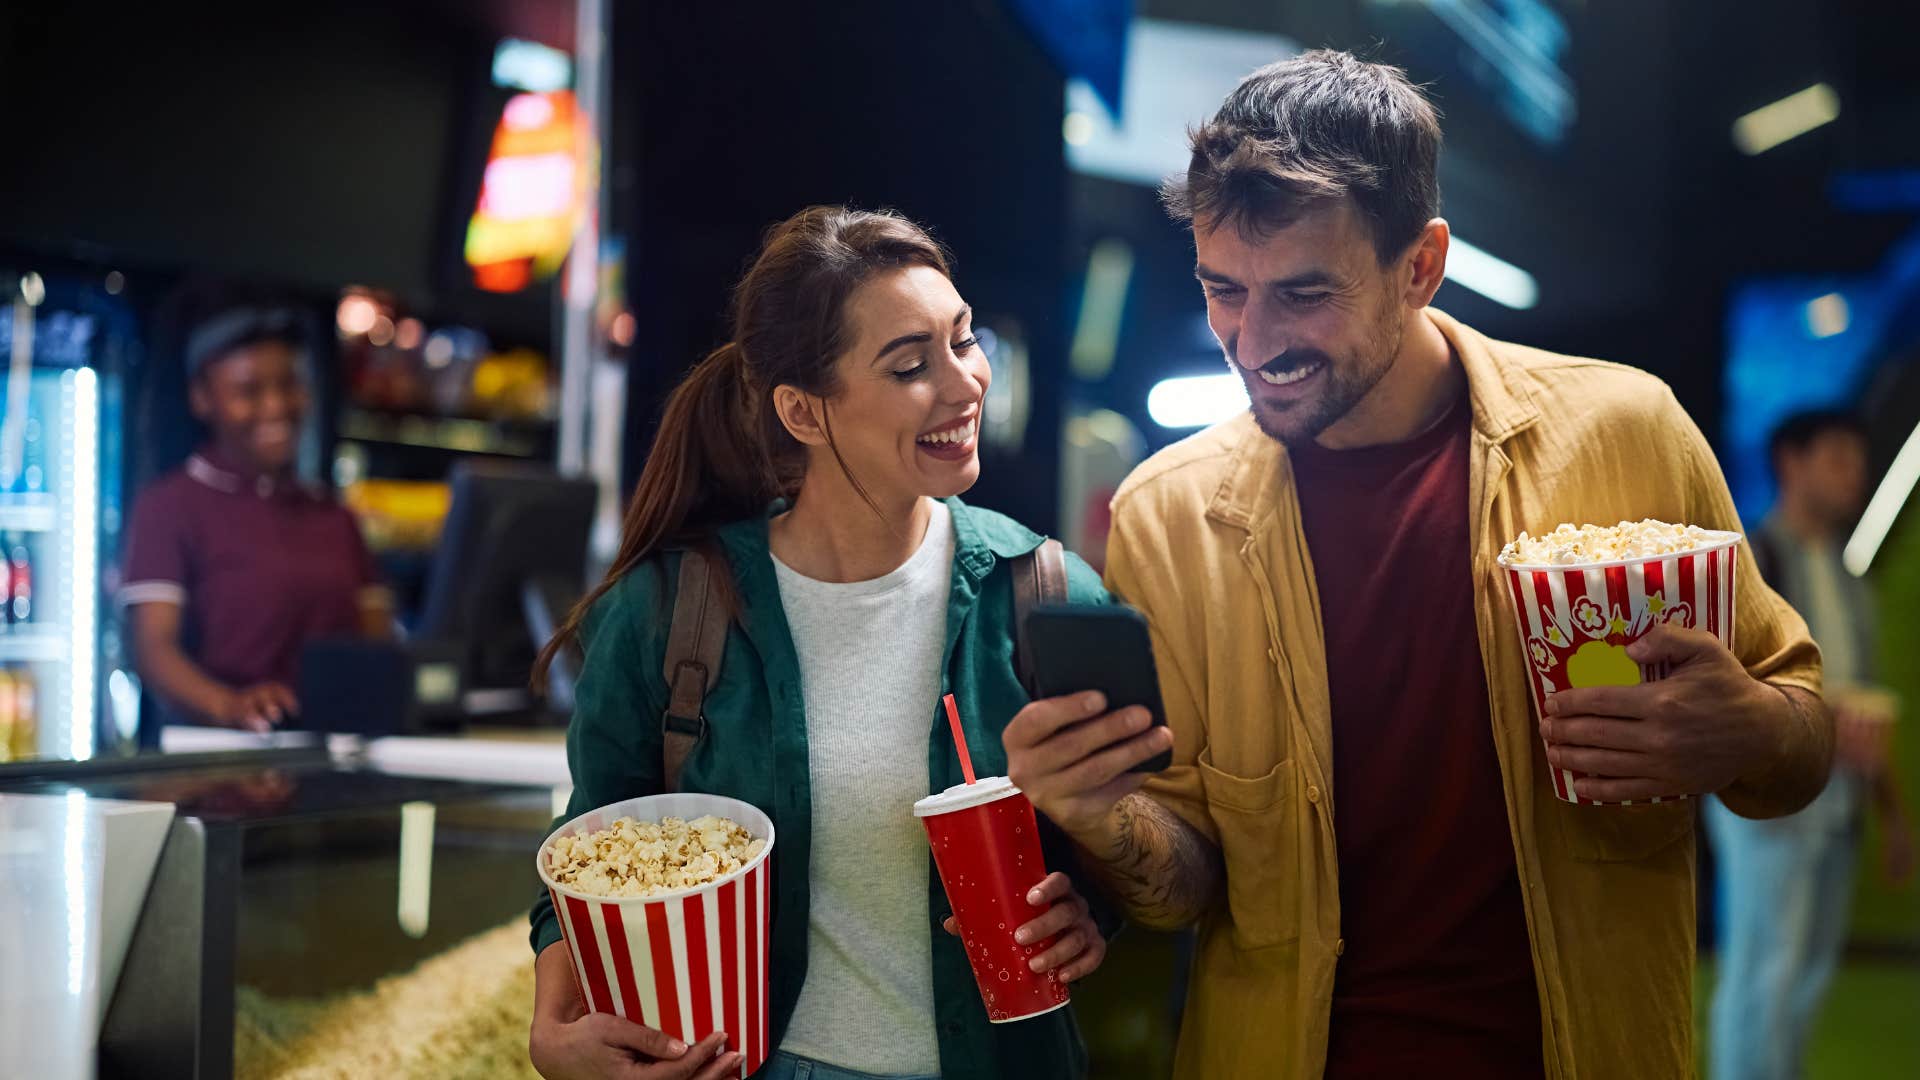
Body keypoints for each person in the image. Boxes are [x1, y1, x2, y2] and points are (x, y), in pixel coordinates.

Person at [1000, 50, 1834, 1077]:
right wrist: (1099, 816)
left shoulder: (1627, 435)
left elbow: (1801, 738)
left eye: (1304, 293)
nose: (1252, 342)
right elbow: (1186, 887)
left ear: (1421, 266)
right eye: (1224, 290)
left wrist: (1751, 728)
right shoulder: (1169, 516)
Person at [525, 207, 1141, 1080]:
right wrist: (553, 1028)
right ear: (802, 412)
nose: (966, 385)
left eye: (965, 341)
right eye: (910, 365)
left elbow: (1133, 834)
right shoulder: (670, 610)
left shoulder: (1042, 592)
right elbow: (589, 845)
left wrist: (1086, 911)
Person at [1705, 409, 1914, 1080]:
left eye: (1858, 459)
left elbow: (1866, 699)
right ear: (1790, 462)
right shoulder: (1749, 562)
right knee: (1762, 972)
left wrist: (1891, 811)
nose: (1855, 473)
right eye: (1838, 457)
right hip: (1767, 798)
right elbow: (1721, 685)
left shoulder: (1849, 575)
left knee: (1808, 975)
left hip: (1840, 800)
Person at [120, 296, 392, 733]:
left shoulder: (335, 517)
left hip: (335, 751)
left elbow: (380, 645)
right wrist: (230, 706)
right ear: (202, 398)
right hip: (219, 754)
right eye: (249, 391)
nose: (276, 406)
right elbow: (153, 650)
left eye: (289, 385)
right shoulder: (169, 506)